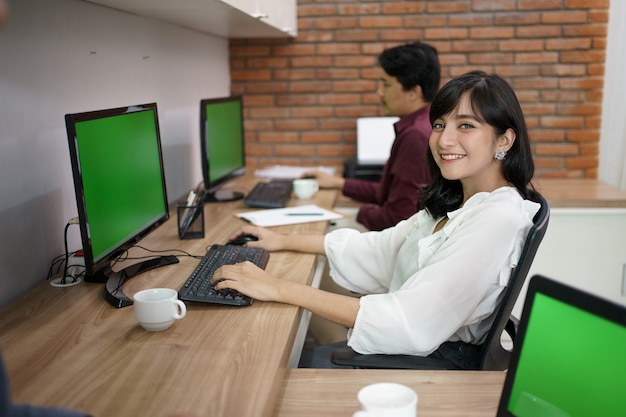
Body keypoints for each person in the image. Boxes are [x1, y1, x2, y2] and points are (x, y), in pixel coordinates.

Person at [213, 70, 541, 368]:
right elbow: (382, 246)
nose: (444, 140)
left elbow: (408, 319)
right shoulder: (462, 201)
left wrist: (277, 287)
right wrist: (281, 240)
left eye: (466, 126)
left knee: (262, 362)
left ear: (504, 140)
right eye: (439, 124)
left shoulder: (496, 217)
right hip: (415, 349)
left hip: (429, 363)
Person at [305, 41, 441, 231]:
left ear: (413, 92)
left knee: (316, 229)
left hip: (396, 240)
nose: (379, 92)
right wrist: (339, 183)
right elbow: (390, 194)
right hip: (397, 234)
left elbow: (397, 218)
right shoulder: (424, 123)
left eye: (386, 85)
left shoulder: (415, 136)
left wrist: (360, 212)